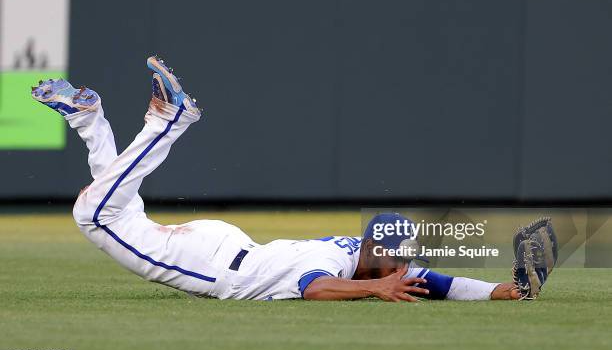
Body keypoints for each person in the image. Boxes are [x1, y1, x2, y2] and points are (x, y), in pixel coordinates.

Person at [30, 56, 522, 302]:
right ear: (375, 249)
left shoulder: (363, 255)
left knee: (112, 206)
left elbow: (437, 282)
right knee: (95, 212)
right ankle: (167, 123)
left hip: (223, 246)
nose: (403, 264)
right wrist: (375, 289)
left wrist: (500, 289)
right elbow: (315, 289)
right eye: (395, 255)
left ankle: (88, 119)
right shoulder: (340, 261)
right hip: (221, 267)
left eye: (402, 256)